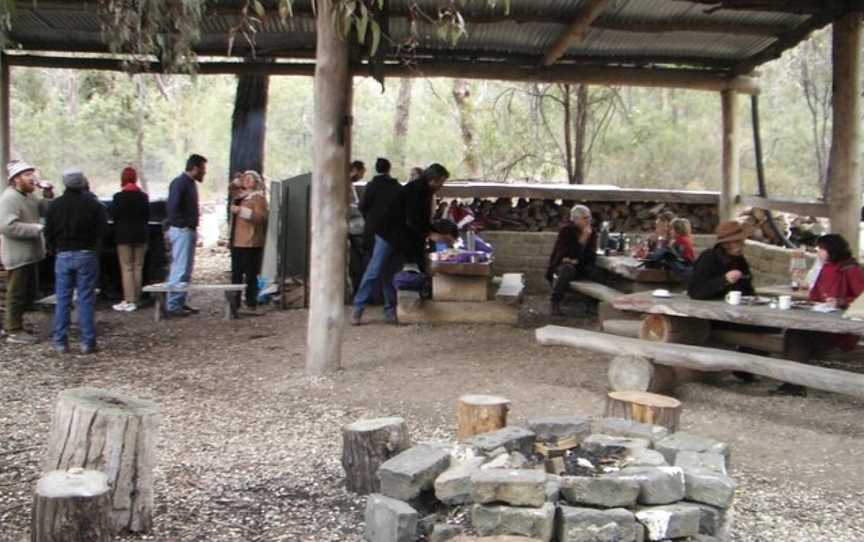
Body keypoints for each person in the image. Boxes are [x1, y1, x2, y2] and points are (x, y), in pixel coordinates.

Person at [777, 234, 864, 396]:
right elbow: (815, 296)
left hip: (841, 329)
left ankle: (794, 384)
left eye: (821, 249)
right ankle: (793, 382)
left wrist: (840, 302)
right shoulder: (827, 267)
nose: (818, 252)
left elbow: (862, 300)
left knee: (798, 335)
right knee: (793, 332)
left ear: (832, 250)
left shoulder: (852, 270)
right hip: (820, 323)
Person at [44, 169, 107, 354]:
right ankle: (87, 342)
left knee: (62, 299)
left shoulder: (55, 205)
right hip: (86, 254)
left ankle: (60, 342)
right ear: (82, 183)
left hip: (63, 254)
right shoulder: (93, 204)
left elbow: (48, 231)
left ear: (65, 183)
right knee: (85, 299)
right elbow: (103, 230)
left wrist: (55, 247)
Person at [0, 160, 52, 343]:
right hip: (18, 254)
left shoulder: (28, 196)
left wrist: (47, 192)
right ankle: (13, 330)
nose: (32, 177)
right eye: (27, 174)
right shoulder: (9, 198)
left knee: (25, 293)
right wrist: (35, 228)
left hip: (30, 253)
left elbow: (46, 209)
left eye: (33, 173)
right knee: (16, 293)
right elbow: (7, 226)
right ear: (16, 179)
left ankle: (15, 324)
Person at [351, 158, 402, 325]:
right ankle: (389, 311)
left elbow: (362, 207)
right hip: (393, 235)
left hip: (375, 234)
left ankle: (358, 310)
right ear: (389, 169)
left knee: (373, 271)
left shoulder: (371, 186)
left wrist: (371, 221)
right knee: (388, 273)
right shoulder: (396, 187)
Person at [165, 154, 207, 317]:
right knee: (180, 268)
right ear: (195, 168)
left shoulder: (190, 184)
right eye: (203, 169)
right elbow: (172, 208)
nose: (204, 173)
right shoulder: (179, 183)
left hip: (188, 230)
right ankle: (173, 305)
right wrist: (183, 224)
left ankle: (179, 301)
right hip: (182, 230)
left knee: (186, 269)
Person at [391, 163, 450, 272]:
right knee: (380, 270)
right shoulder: (416, 190)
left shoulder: (426, 191)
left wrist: (438, 233)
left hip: (410, 234)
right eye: (441, 182)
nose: (442, 186)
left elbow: (423, 219)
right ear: (433, 180)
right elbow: (413, 218)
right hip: (394, 234)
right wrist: (431, 234)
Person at [546, 204, 597, 316]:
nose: (588, 221)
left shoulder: (591, 232)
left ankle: (593, 304)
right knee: (567, 269)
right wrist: (582, 240)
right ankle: (555, 302)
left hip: (581, 264)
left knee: (597, 271)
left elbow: (591, 254)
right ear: (575, 219)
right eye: (585, 218)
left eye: (589, 217)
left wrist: (577, 260)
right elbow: (564, 254)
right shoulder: (566, 230)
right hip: (561, 265)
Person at [111, 167, 150, 312]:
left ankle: (129, 299)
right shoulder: (143, 197)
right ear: (135, 179)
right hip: (141, 236)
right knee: (138, 267)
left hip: (123, 237)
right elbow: (147, 216)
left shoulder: (117, 197)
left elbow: (114, 217)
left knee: (127, 268)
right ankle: (137, 298)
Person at [229, 170, 268, 311]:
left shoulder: (258, 198)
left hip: (251, 241)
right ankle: (235, 301)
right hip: (237, 240)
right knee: (236, 273)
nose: (246, 180)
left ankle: (251, 301)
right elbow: (231, 188)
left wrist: (241, 211)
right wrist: (236, 181)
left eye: (250, 178)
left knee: (251, 273)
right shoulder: (240, 196)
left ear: (256, 182)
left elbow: (261, 218)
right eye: (245, 178)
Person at [688, 220, 755, 300]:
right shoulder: (708, 258)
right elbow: (695, 291)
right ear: (726, 244)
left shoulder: (740, 260)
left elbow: (748, 289)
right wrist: (724, 280)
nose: (743, 244)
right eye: (738, 241)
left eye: (742, 241)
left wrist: (753, 298)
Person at [347, 160, 368, 296]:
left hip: (355, 227)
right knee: (359, 262)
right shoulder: (345, 184)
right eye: (362, 172)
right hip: (354, 228)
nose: (362, 175)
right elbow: (350, 207)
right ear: (355, 169)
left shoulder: (349, 184)